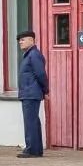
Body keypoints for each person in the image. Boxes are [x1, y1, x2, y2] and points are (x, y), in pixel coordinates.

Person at [16, 29, 49, 158]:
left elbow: (40, 74)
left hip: (31, 93)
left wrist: (45, 90)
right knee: (33, 121)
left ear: (31, 40)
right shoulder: (29, 55)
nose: (20, 42)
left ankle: (31, 150)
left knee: (30, 121)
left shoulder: (33, 55)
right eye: (19, 40)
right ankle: (36, 150)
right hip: (29, 92)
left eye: (23, 40)